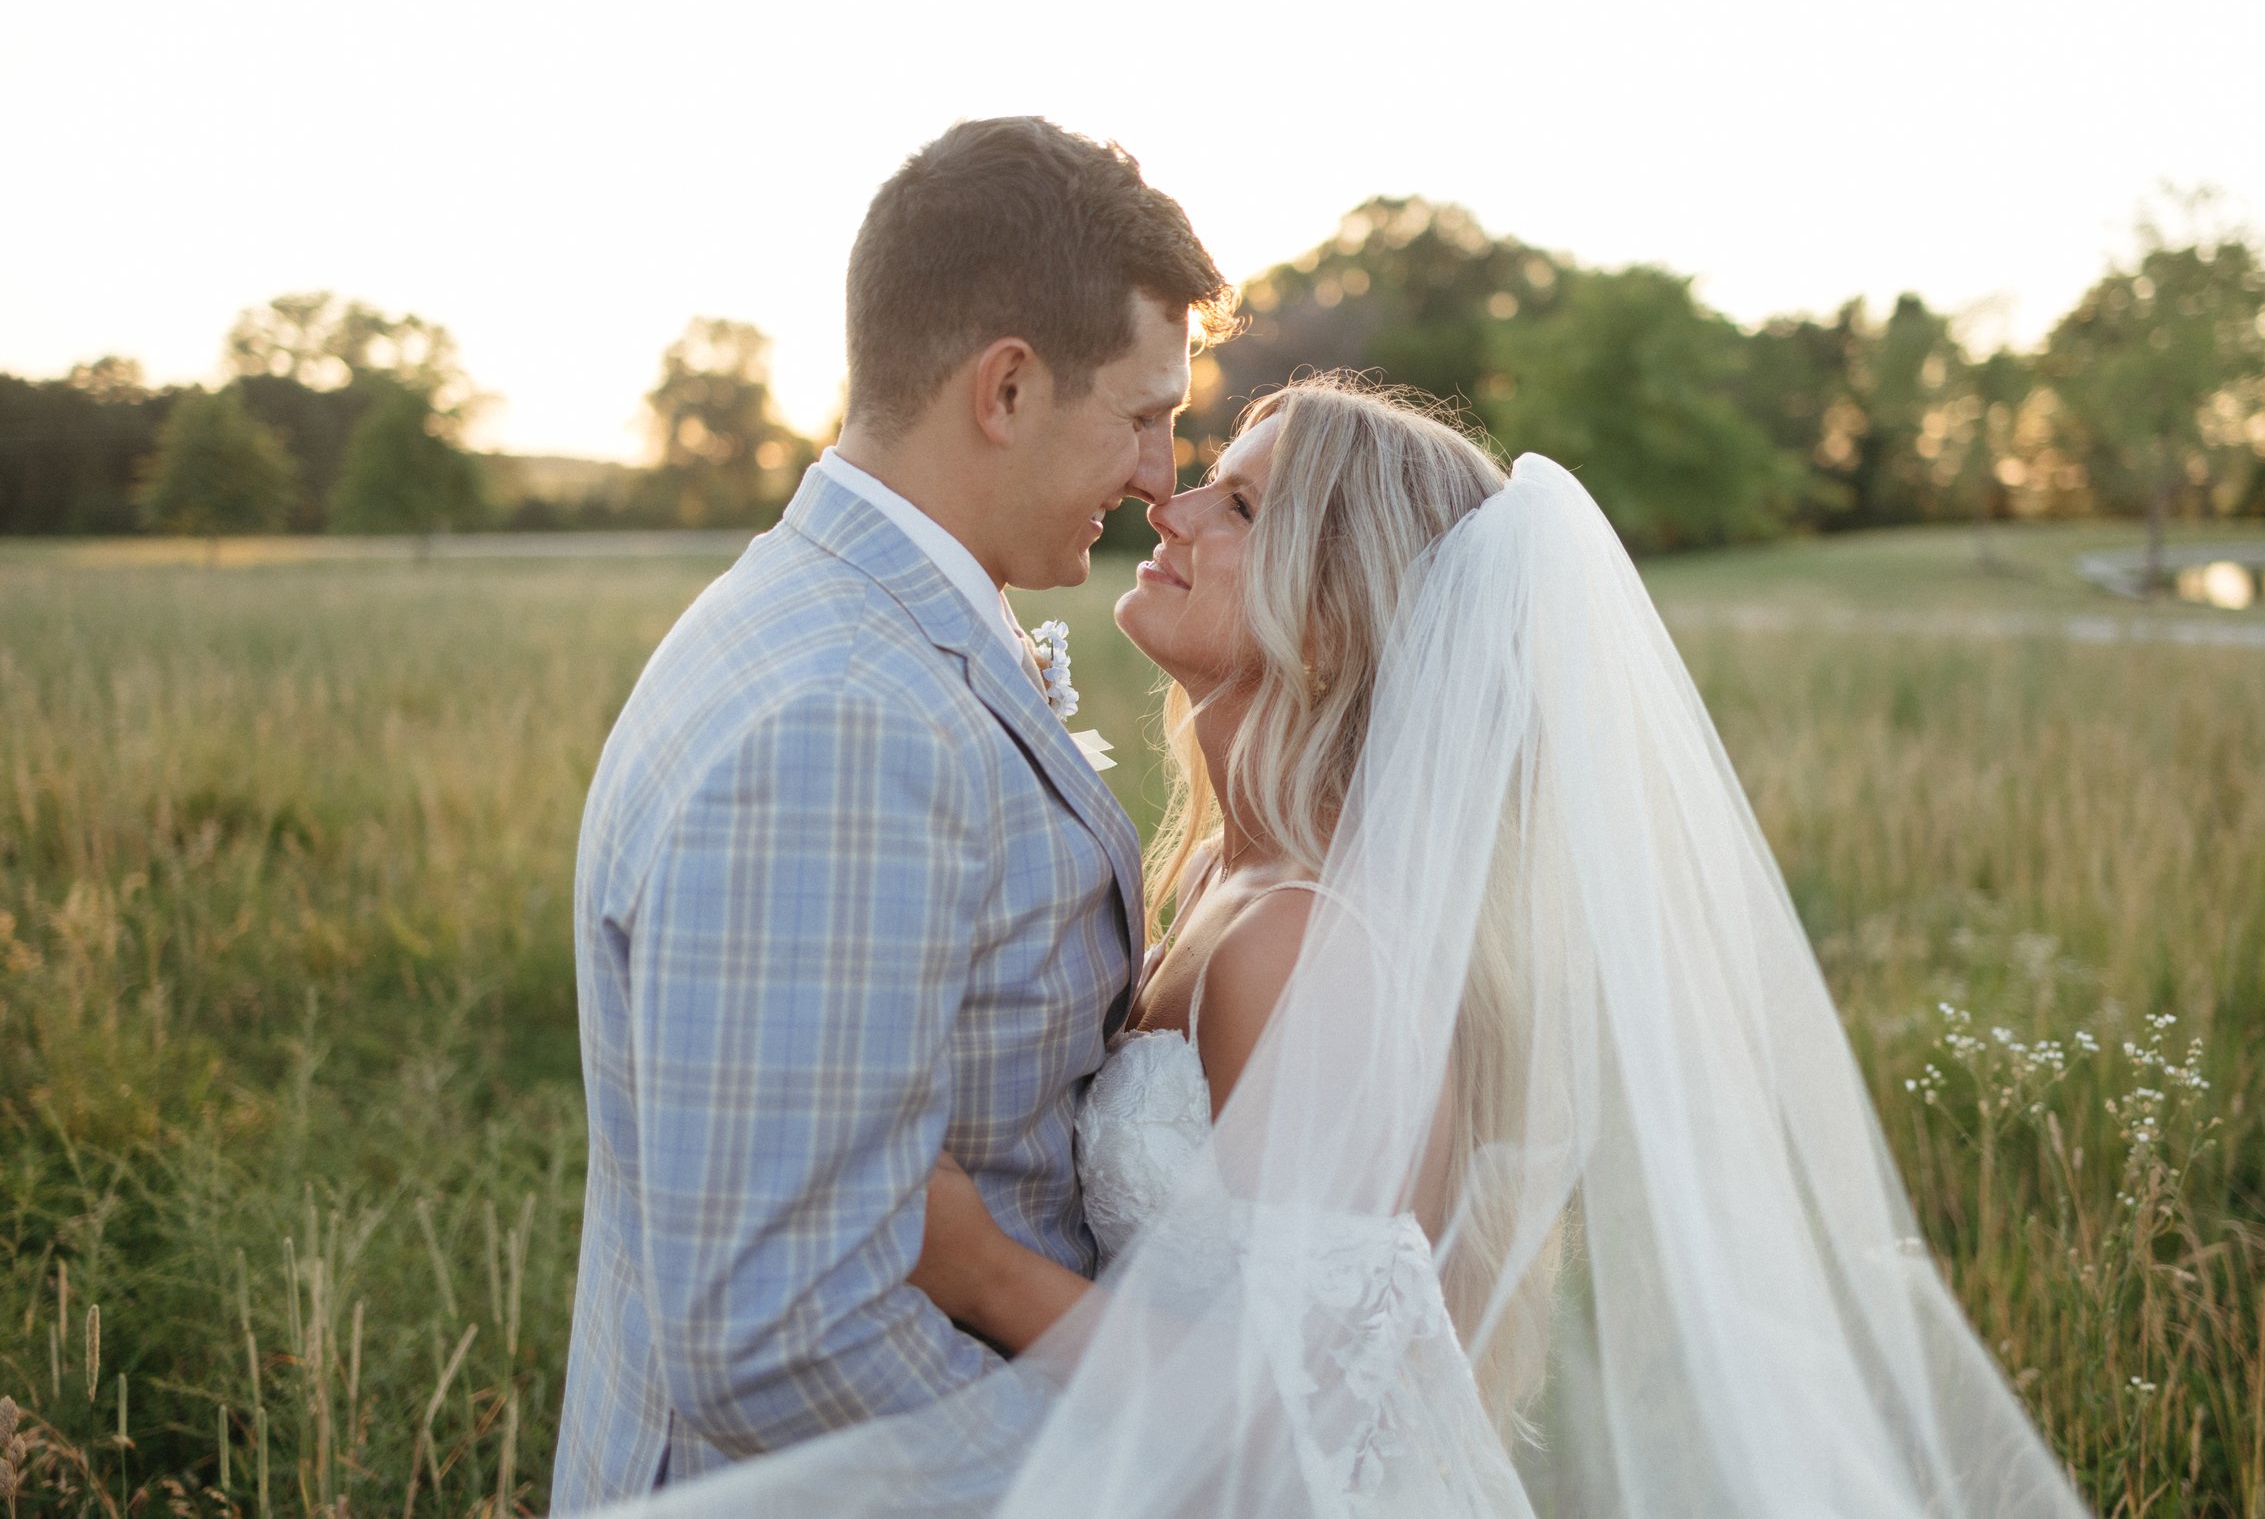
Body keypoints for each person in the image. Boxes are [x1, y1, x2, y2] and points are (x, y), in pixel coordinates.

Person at [595, 376, 2097, 1518]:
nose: (1169, 505)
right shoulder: (1238, 884)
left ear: (1330, 614)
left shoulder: (1314, 944)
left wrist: (978, 1267)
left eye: (1238, 505)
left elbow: (1283, 1415)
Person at [549, 116, 1233, 1511]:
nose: (1163, 478)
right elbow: (777, 1330)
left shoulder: (861, 618)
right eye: (1147, 415)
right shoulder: (843, 717)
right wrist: (1120, 1479)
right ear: (1007, 389)